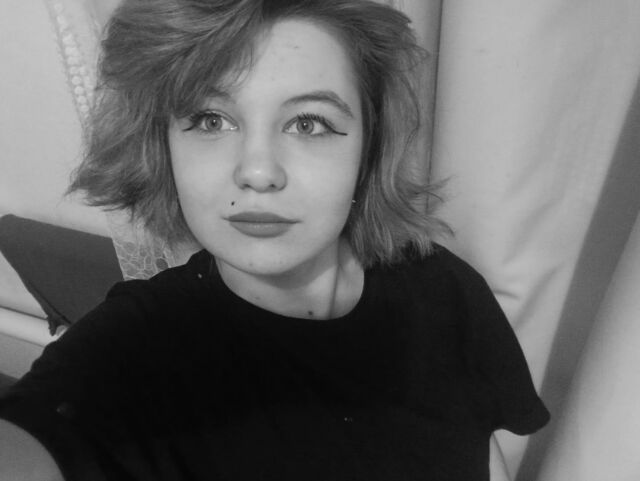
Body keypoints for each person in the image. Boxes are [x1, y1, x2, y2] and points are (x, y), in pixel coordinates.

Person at [0, 0, 549, 479]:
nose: (258, 172)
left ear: (368, 150)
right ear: (163, 147)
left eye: (308, 123)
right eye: (210, 120)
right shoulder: (125, 355)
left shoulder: (444, 289)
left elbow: (481, 455)